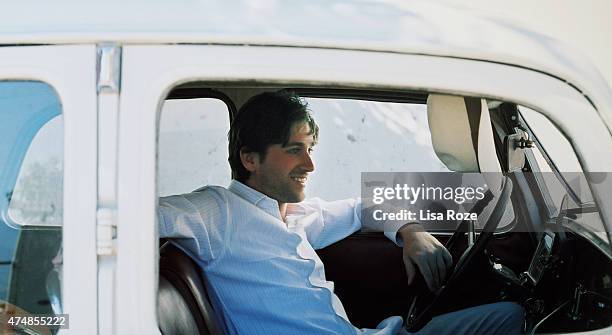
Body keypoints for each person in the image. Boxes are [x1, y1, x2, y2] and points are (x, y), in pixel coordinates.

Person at [158, 91, 524, 334]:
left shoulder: (295, 215)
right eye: (294, 150)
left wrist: (410, 230)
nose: (310, 165)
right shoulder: (216, 211)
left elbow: (364, 206)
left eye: (311, 149)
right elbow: (130, 216)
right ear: (249, 158)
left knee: (512, 317)